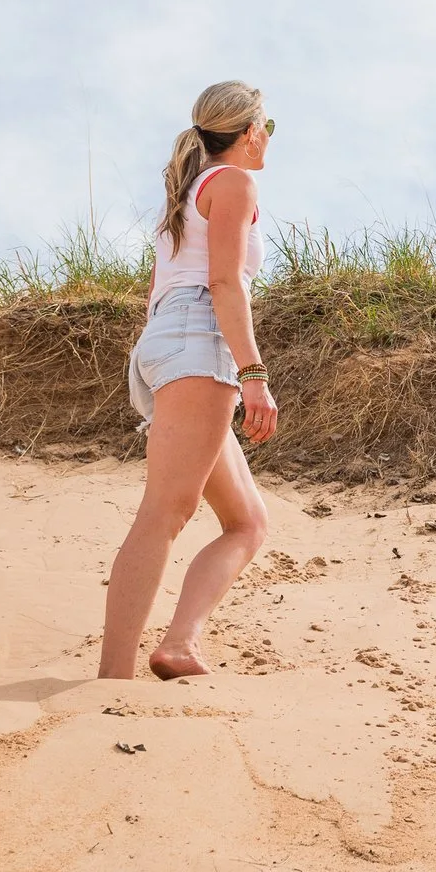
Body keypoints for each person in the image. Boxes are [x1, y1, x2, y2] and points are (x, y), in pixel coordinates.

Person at [100, 80, 280, 680]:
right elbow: (225, 284)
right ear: (250, 130)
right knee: (166, 510)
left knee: (248, 523)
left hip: (166, 344)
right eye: (268, 128)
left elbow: (166, 289)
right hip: (199, 343)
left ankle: (180, 643)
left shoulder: (187, 192)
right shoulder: (234, 183)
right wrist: (252, 373)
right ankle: (111, 681)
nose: (269, 140)